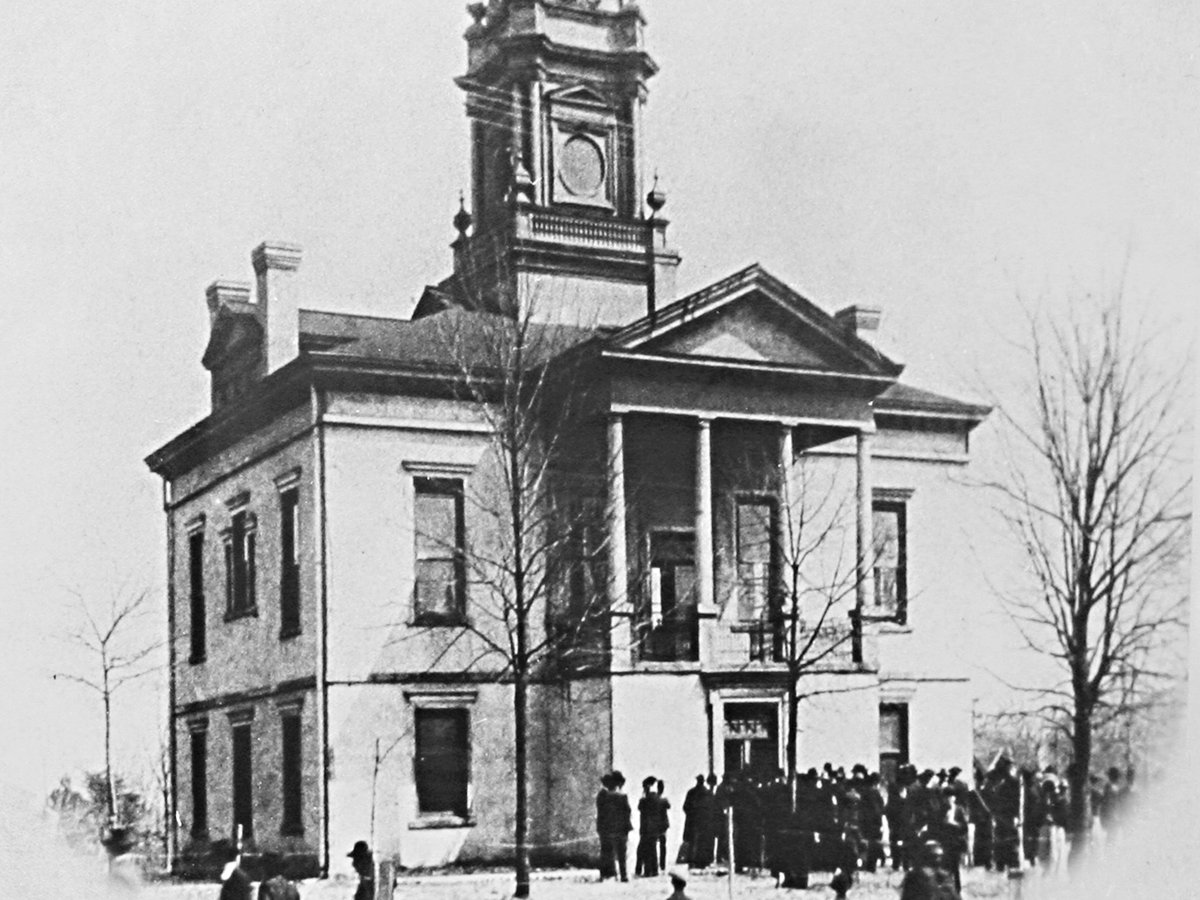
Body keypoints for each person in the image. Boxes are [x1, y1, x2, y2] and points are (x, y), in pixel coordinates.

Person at [682, 775, 709, 866]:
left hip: (693, 821)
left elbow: (685, 807)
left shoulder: (691, 792)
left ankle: (692, 861)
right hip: (703, 821)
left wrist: (691, 814)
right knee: (703, 841)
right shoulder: (707, 793)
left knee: (693, 841)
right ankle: (702, 861)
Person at [637, 775, 661, 877]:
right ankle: (654, 870)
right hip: (653, 828)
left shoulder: (646, 800)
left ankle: (647, 870)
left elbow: (640, 807)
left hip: (647, 828)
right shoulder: (655, 798)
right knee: (652, 849)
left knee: (645, 850)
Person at [656, 779, 671, 871]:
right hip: (663, 825)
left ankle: (659, 864)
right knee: (663, 845)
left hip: (656, 824)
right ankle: (662, 864)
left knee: (656, 845)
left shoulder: (656, 798)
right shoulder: (664, 800)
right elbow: (669, 806)